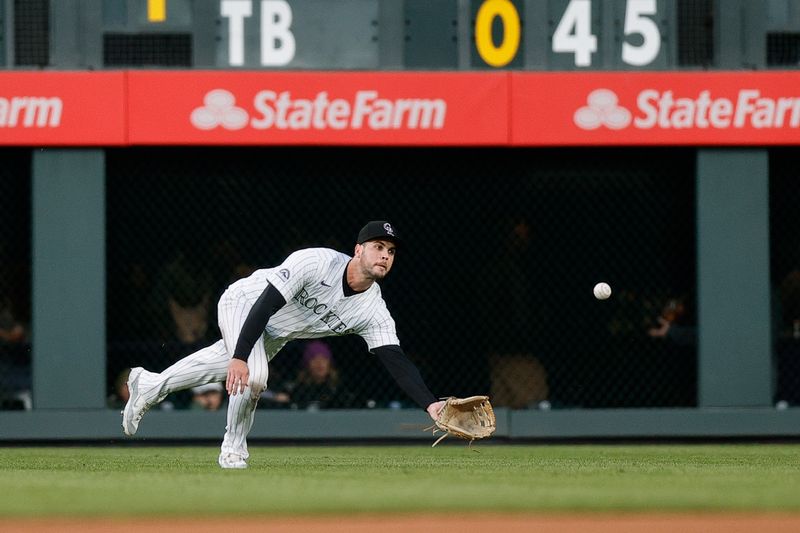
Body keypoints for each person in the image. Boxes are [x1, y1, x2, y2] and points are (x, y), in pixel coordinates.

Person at [122, 221, 446, 468]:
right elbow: (265, 304)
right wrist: (240, 356)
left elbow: (396, 361)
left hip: (275, 334)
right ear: (358, 250)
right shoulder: (316, 261)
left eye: (391, 251)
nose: (385, 256)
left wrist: (431, 405)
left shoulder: (373, 310)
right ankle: (233, 448)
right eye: (378, 246)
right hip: (245, 303)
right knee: (255, 376)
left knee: (215, 366)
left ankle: (149, 385)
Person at [277, 340, 356, 410]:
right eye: (314, 359)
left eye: (324, 358)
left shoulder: (339, 390)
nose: (320, 363)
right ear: (307, 365)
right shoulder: (298, 391)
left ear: (329, 363)